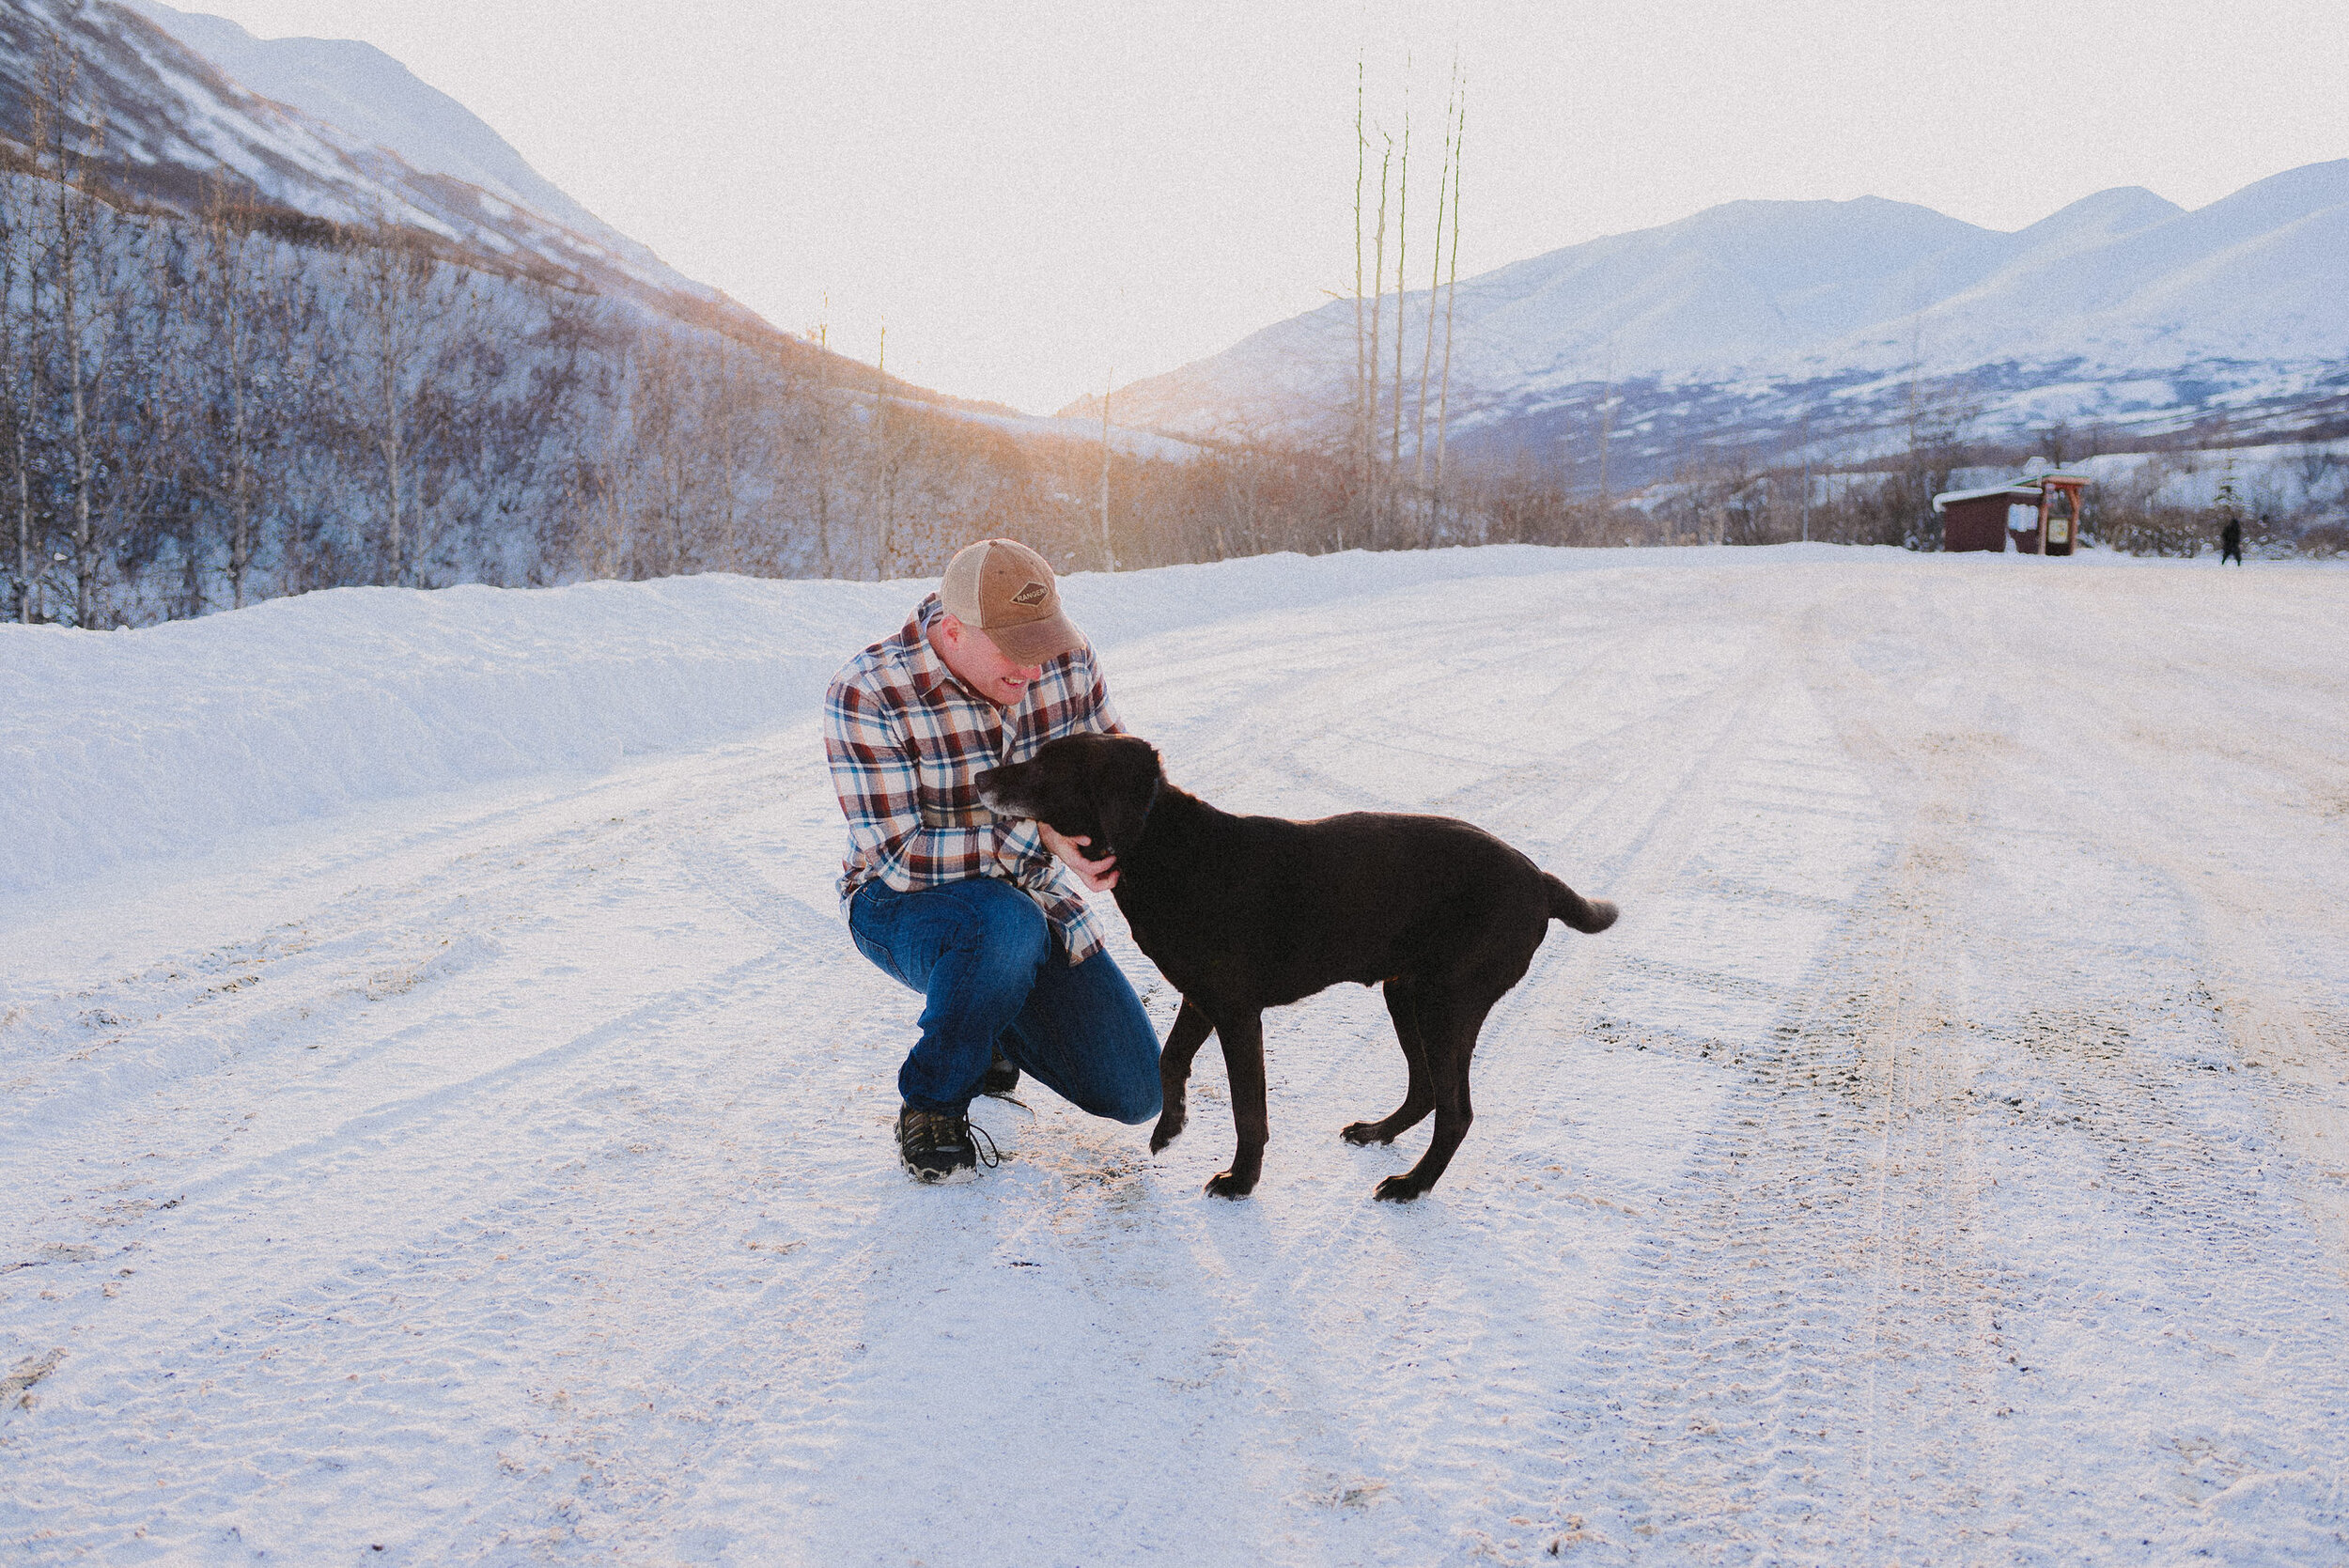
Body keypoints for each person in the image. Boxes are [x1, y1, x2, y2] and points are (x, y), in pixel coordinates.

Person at [824, 537, 1161, 1184]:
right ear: (953, 631)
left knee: (1138, 1090)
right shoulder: (868, 692)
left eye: (1045, 643)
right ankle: (933, 1099)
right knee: (1005, 925)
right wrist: (1043, 832)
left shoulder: (1066, 659)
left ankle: (993, 1022)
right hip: (898, 905)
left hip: (1029, 902)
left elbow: (1121, 770)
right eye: (1017, 650)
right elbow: (901, 857)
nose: (1036, 670)